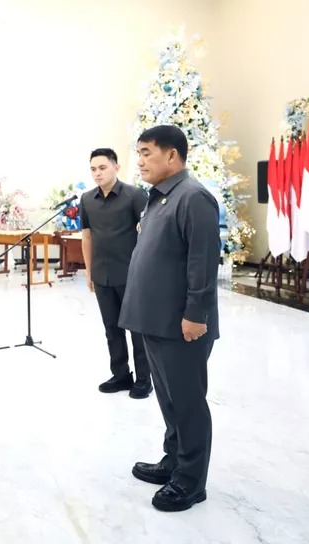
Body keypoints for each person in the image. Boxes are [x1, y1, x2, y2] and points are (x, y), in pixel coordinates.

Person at [119, 125, 220, 512]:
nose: (140, 161)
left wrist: (196, 314)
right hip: (155, 320)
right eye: (139, 153)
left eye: (146, 152)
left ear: (172, 155)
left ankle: (191, 481)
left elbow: (202, 261)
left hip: (182, 325)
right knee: (168, 399)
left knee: (188, 402)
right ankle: (174, 461)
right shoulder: (160, 197)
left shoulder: (193, 197)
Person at [80, 148, 151, 399]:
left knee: (137, 330)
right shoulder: (87, 199)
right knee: (111, 329)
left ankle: (144, 379)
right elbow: (87, 236)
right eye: (93, 169)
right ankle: (121, 375)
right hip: (102, 275)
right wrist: (89, 271)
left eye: (102, 168)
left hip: (132, 275)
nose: (97, 173)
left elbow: (148, 234)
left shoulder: (135, 195)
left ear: (116, 167)